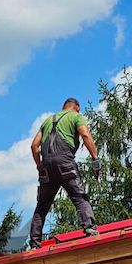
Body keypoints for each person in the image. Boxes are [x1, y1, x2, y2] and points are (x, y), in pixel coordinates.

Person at [28, 97, 100, 249]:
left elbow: (34, 146)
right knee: (79, 197)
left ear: (64, 107)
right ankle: (90, 229)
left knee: (42, 206)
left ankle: (34, 243)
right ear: (77, 107)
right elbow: (85, 135)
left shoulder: (47, 121)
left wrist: (40, 166)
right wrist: (95, 159)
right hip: (65, 163)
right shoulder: (76, 117)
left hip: (47, 167)